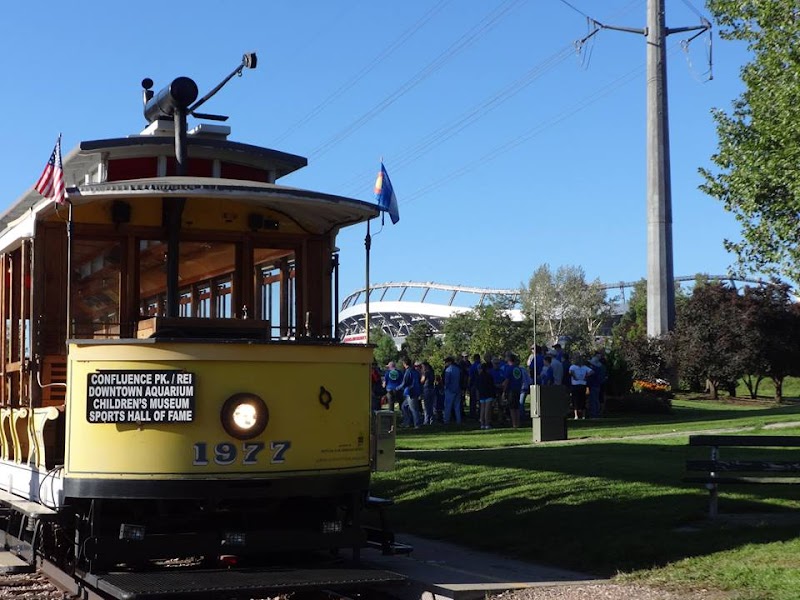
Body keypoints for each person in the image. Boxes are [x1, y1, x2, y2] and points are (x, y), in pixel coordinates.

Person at [568, 355, 593, 420]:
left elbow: (570, 372)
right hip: (582, 384)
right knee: (582, 399)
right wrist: (585, 376)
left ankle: (576, 415)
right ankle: (583, 415)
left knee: (576, 400)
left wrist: (575, 376)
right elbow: (592, 371)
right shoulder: (584, 367)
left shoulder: (573, 367)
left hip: (575, 385)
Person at [503, 354, 524, 428]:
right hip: (518, 389)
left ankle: (514, 424)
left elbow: (507, 381)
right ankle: (518, 423)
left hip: (511, 390)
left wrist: (503, 391)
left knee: (512, 408)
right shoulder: (518, 369)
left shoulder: (509, 369)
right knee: (517, 407)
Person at [400, 358, 422, 427]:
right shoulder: (415, 371)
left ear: (404, 364)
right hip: (415, 391)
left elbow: (405, 382)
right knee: (404, 406)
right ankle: (407, 422)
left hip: (410, 392)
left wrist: (398, 388)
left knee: (414, 409)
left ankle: (417, 424)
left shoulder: (408, 371)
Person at [443, 356, 462, 425]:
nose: (445, 363)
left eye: (446, 362)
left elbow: (446, 381)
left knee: (448, 406)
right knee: (457, 406)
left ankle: (446, 421)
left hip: (450, 390)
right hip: (457, 389)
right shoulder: (458, 369)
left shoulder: (448, 370)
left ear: (450, 362)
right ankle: (458, 420)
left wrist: (445, 387)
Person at [477, 362, 496, 430]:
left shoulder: (479, 376)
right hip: (488, 394)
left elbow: (478, 386)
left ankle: (482, 423)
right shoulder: (489, 376)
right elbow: (491, 386)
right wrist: (493, 395)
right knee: (487, 410)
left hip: (482, 394)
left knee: (482, 409)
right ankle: (487, 423)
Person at [420, 361, 436, 425]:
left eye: (423, 367)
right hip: (432, 388)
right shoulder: (432, 372)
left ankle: (426, 420)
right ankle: (432, 420)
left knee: (426, 406)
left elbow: (422, 381)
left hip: (426, 389)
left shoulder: (426, 373)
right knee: (432, 405)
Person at [468, 353, 481, 420]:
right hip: (481, 385)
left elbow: (470, 377)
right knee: (480, 400)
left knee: (473, 401)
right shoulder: (481, 366)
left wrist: (469, 385)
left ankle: (473, 414)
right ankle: (480, 414)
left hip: (474, 385)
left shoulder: (472, 366)